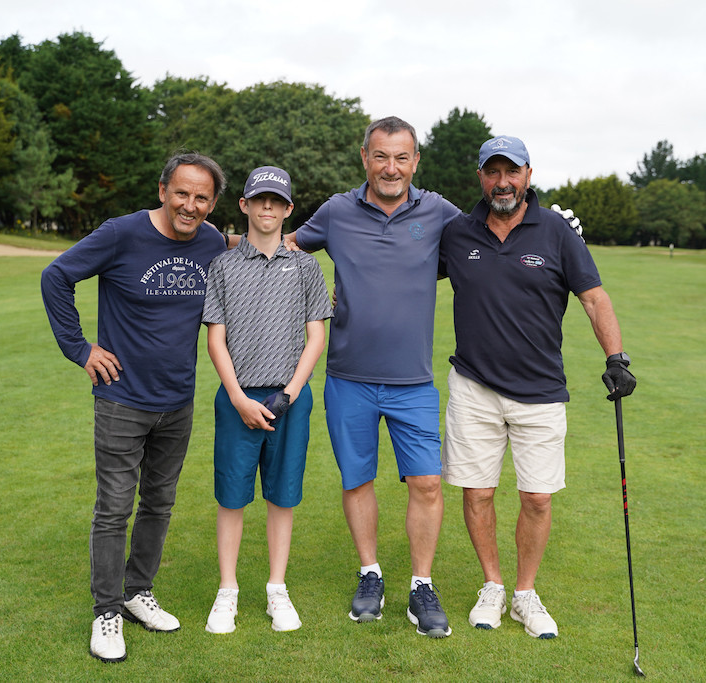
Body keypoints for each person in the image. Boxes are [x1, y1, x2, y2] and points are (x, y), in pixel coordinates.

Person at [438, 136, 636, 639]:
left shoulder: (557, 232)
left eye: (512, 171)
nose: (502, 182)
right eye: (492, 172)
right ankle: (493, 586)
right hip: (473, 386)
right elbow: (403, 268)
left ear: (528, 174)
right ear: (481, 177)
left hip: (542, 390)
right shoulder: (457, 233)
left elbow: (593, 298)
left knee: (538, 498)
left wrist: (616, 357)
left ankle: (525, 593)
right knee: (477, 492)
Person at [41, 151, 235, 663]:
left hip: (178, 399)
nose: (189, 205)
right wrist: (80, 349)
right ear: (162, 189)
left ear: (213, 203)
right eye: (181, 193)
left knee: (159, 503)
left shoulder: (212, 242)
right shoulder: (120, 234)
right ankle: (106, 610)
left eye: (201, 197)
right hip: (122, 398)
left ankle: (136, 592)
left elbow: (240, 272)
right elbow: (56, 277)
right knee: (114, 508)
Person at [285, 116, 462, 638]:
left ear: (415, 162)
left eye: (401, 157)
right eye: (381, 156)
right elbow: (281, 243)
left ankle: (421, 586)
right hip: (348, 376)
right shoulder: (337, 211)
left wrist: (551, 228)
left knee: (427, 483)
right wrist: (204, 241)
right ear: (365, 157)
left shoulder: (439, 213)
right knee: (357, 479)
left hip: (414, 381)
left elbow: (489, 243)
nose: (391, 167)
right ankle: (370, 574)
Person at [201, 166, 331, 634]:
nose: (268, 208)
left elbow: (315, 335)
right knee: (232, 496)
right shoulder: (223, 265)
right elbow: (216, 338)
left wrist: (290, 392)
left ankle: (277, 588)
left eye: (277, 201)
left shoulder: (306, 266)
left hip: (289, 397)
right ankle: (227, 591)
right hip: (237, 397)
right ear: (244, 205)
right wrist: (237, 396)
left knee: (282, 496)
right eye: (260, 200)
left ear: (289, 209)